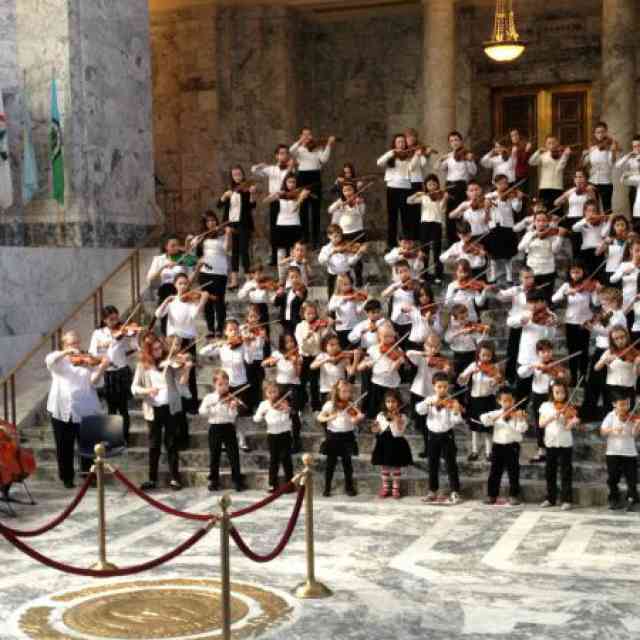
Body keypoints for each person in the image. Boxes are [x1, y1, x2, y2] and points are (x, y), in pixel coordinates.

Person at [46, 330, 110, 488]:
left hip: (85, 409)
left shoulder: (87, 360)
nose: (76, 346)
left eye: (77, 343)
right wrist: (67, 352)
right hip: (62, 410)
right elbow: (49, 360)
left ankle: (89, 476)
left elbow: (95, 382)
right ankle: (67, 478)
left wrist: (102, 367)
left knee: (87, 445)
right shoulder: (59, 361)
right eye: (71, 343)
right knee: (64, 446)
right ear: (64, 345)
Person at [131, 335, 191, 491]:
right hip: (153, 410)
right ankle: (152, 479)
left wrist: (186, 368)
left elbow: (182, 381)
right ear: (148, 351)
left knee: (171, 444)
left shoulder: (170, 362)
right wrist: (148, 390)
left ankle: (175, 478)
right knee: (154, 444)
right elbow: (134, 388)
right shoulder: (143, 365)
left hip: (170, 408)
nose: (159, 352)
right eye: (155, 349)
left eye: (160, 348)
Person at [89, 306, 138, 445]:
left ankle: (125, 437)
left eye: (116, 318)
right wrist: (108, 342)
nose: (115, 321)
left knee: (123, 408)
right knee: (111, 408)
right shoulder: (98, 333)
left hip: (122, 372)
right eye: (111, 319)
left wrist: (134, 336)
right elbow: (93, 353)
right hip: (108, 373)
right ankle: (113, 438)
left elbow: (134, 348)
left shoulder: (124, 330)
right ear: (104, 320)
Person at [517, 339, 570, 465]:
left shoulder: (556, 366)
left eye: (549, 351)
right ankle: (541, 451)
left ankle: (555, 451)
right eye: (543, 352)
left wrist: (559, 376)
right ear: (538, 353)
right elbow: (521, 373)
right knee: (539, 424)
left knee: (554, 423)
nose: (546, 354)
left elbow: (564, 381)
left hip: (552, 398)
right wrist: (532, 366)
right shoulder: (535, 364)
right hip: (537, 397)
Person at [416, 372, 464, 504]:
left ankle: (455, 491)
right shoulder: (430, 399)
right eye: (439, 386)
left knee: (451, 464)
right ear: (434, 386)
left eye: (445, 387)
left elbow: (457, 420)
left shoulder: (452, 401)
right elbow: (419, 410)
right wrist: (429, 403)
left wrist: (455, 410)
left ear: (448, 387)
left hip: (447, 435)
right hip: (432, 436)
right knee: (432, 464)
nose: (442, 389)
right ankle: (432, 491)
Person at [551, 261, 596, 384]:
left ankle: (582, 377)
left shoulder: (588, 285)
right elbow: (553, 298)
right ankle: (574, 378)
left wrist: (594, 290)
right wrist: (565, 293)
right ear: (569, 273)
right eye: (573, 272)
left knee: (584, 351)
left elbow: (596, 303)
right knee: (572, 351)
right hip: (571, 322)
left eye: (578, 272)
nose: (575, 275)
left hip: (585, 322)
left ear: (582, 272)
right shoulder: (566, 285)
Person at [480, 387, 527, 506]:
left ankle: (514, 495)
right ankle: (492, 495)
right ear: (499, 401)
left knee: (513, 472)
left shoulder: (517, 414)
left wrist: (520, 419)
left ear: (514, 400)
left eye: (510, 400)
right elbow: (483, 419)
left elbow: (522, 429)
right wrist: (494, 418)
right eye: (505, 401)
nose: (508, 403)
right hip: (498, 446)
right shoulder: (496, 413)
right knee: (495, 472)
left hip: (512, 446)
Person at [199, 369, 244, 492]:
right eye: (220, 384)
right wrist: (211, 407)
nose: (224, 387)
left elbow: (232, 416)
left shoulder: (230, 398)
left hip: (228, 427)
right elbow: (202, 411)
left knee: (233, 454)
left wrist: (233, 408)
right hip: (215, 428)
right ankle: (214, 480)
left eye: (226, 384)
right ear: (214, 384)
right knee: (215, 455)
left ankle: (237, 480)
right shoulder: (209, 398)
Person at [289, 127, 335, 248]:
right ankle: (304, 237)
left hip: (315, 177)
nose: (308, 137)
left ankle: (315, 238)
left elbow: (324, 159)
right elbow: (291, 151)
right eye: (305, 135)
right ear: (301, 136)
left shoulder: (317, 148)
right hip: (303, 178)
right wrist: (300, 141)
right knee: (303, 209)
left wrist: (328, 145)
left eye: (309, 135)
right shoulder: (298, 149)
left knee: (315, 209)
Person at [318, 379, 364, 497]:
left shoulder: (351, 405)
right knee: (330, 464)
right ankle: (327, 487)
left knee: (347, 464)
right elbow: (320, 418)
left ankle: (349, 487)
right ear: (337, 392)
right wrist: (330, 418)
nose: (347, 394)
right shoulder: (329, 405)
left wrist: (358, 418)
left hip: (347, 436)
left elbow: (354, 420)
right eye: (343, 391)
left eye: (348, 392)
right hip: (333, 436)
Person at [458, 340, 502, 462]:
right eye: (483, 355)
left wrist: (495, 380)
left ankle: (489, 452)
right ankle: (475, 451)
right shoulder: (474, 365)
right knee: (475, 428)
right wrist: (469, 373)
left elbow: (496, 385)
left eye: (489, 355)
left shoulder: (495, 367)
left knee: (488, 428)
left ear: (492, 355)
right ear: (478, 354)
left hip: (488, 400)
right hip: (475, 400)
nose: (486, 358)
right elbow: (461, 380)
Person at [539, 381, 579, 510]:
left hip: (565, 442)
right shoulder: (545, 406)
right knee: (550, 472)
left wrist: (572, 422)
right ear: (552, 393)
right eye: (557, 392)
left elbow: (569, 425)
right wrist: (552, 417)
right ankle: (550, 498)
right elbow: (541, 424)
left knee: (566, 472)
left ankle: (567, 499)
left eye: (562, 392)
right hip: (550, 442)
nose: (560, 395)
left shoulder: (569, 407)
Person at [192, 211, 232, 337]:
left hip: (220, 272)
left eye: (213, 220)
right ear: (205, 224)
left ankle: (220, 328)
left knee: (219, 301)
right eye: (208, 221)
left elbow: (226, 249)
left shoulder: (222, 235)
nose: (211, 223)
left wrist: (228, 234)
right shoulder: (202, 237)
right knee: (207, 302)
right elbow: (193, 251)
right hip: (205, 272)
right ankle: (210, 328)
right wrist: (192, 240)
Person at [251, 144, 293, 266]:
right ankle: (274, 257)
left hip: (287, 201)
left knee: (287, 228)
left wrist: (290, 168)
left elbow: (291, 182)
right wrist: (261, 165)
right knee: (274, 229)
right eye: (281, 153)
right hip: (274, 201)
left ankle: (288, 257)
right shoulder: (272, 169)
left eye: (286, 153)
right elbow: (254, 170)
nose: (284, 155)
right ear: (277, 156)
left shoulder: (291, 169)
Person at [262, 333, 304, 453]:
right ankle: (282, 441)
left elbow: (297, 375)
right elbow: (264, 363)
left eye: (292, 341)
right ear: (282, 344)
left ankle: (296, 441)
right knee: (279, 413)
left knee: (293, 414)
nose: (290, 344)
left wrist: (295, 363)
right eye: (287, 342)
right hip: (280, 387)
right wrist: (269, 362)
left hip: (293, 387)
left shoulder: (298, 355)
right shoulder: (277, 354)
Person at [217, 165, 256, 289]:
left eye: (239, 174)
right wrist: (224, 196)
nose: (237, 176)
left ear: (243, 175)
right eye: (234, 175)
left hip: (244, 223)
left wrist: (252, 194)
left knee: (244, 251)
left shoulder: (247, 188)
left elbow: (252, 206)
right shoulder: (229, 189)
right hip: (231, 223)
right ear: (232, 176)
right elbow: (219, 205)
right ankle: (234, 281)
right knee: (234, 252)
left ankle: (248, 280)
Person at [371, 389, 413, 499]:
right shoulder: (381, 415)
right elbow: (377, 430)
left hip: (396, 442)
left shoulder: (402, 416)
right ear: (385, 403)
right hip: (383, 442)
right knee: (384, 466)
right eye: (388, 402)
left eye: (393, 402)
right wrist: (375, 427)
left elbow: (400, 430)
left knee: (396, 466)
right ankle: (385, 488)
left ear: (398, 402)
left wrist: (397, 419)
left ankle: (395, 488)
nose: (391, 404)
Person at [254, 381, 294, 493]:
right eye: (270, 392)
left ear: (278, 392)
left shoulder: (284, 402)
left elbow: (286, 420)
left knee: (286, 459)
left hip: (285, 433)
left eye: (275, 392)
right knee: (274, 460)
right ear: (266, 393)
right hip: (272, 435)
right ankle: (272, 484)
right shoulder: (263, 404)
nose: (273, 395)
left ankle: (290, 484)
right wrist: (261, 414)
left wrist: (286, 410)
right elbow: (256, 419)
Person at [407, 173, 448, 283]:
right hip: (425, 224)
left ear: (437, 185)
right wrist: (416, 194)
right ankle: (424, 275)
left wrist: (444, 199)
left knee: (436, 250)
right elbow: (409, 201)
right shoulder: (424, 197)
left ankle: (438, 275)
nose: (432, 186)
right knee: (424, 250)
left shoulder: (440, 196)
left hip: (437, 224)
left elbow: (443, 209)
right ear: (426, 186)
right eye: (429, 184)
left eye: (434, 184)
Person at [601, 394, 640, 510]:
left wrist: (637, 426)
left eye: (627, 404)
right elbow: (603, 431)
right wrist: (613, 429)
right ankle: (614, 499)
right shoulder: (610, 416)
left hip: (629, 452)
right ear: (614, 404)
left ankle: (633, 500)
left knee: (632, 479)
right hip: (613, 453)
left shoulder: (632, 417)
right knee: (612, 478)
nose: (625, 407)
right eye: (622, 404)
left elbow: (634, 436)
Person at [439, 130, 477, 245]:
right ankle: (451, 241)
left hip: (461, 185)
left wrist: (469, 160)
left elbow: (473, 172)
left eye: (456, 140)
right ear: (449, 143)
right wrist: (442, 158)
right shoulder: (449, 156)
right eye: (451, 141)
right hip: (450, 185)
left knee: (461, 213)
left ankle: (462, 240)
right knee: (449, 214)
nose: (454, 142)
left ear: (461, 141)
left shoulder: (467, 154)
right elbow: (439, 168)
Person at [328, 180, 367, 287]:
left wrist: (358, 204)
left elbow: (361, 213)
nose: (347, 192)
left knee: (357, 258)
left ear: (354, 190)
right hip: (344, 234)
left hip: (357, 232)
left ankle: (359, 279)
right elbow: (330, 210)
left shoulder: (359, 202)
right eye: (345, 190)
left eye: (350, 190)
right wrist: (339, 203)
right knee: (345, 257)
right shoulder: (341, 202)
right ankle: (348, 280)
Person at [377, 133, 413, 248]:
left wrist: (415, 155)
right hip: (392, 188)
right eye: (398, 142)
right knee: (392, 218)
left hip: (406, 188)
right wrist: (391, 152)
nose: (401, 144)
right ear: (394, 144)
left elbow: (415, 167)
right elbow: (379, 162)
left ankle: (407, 243)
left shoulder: (409, 155)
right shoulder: (391, 156)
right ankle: (391, 244)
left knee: (406, 218)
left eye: (403, 142)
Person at [318, 223, 365, 298]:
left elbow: (350, 262)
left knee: (349, 296)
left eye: (340, 236)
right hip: (333, 276)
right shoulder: (326, 248)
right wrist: (332, 252)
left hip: (346, 275)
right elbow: (321, 261)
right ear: (329, 236)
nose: (338, 239)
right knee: (332, 297)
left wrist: (358, 254)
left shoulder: (346, 246)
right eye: (335, 236)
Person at [581, 121, 618, 212]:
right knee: (593, 208)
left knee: (607, 209)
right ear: (595, 134)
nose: (600, 134)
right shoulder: (592, 148)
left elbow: (612, 164)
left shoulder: (610, 147)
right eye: (598, 132)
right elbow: (583, 164)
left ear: (606, 132)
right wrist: (584, 155)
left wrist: (613, 151)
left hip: (606, 182)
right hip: (592, 182)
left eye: (602, 132)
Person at [528, 136, 571, 210]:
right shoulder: (543, 155)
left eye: (553, 143)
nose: (552, 145)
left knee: (557, 212)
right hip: (544, 187)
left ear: (557, 143)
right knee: (544, 211)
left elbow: (559, 169)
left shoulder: (561, 155)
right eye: (549, 143)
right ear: (545, 144)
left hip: (557, 187)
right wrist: (538, 152)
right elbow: (531, 162)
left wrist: (565, 155)